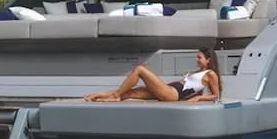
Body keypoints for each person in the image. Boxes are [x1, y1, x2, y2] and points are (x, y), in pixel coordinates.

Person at [83, 46, 221, 103]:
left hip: (172, 93)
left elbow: (216, 95)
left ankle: (114, 96)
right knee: (131, 93)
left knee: (140, 69)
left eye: (199, 58)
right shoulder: (199, 73)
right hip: (170, 89)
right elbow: (196, 90)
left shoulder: (211, 74)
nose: (197, 60)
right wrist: (196, 97)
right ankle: (98, 96)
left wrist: (198, 100)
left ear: (208, 59)